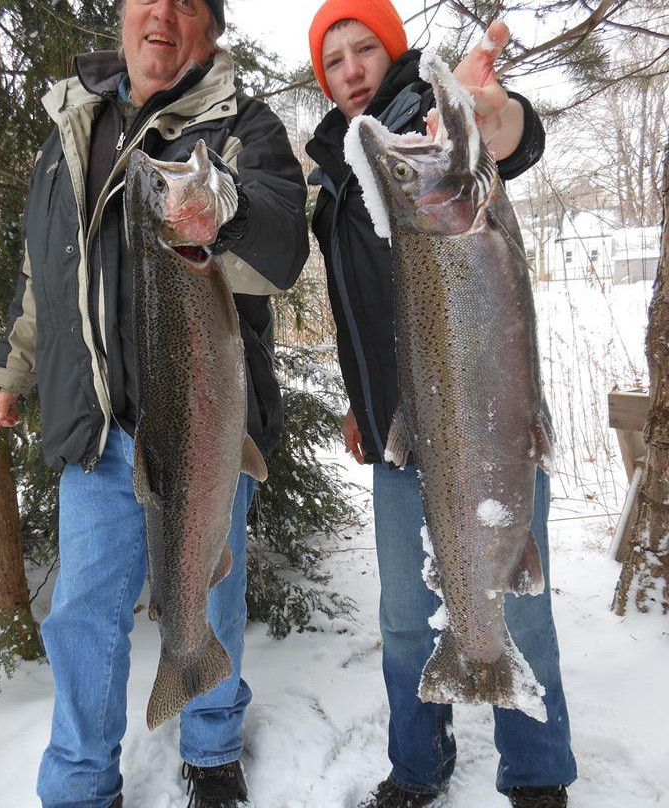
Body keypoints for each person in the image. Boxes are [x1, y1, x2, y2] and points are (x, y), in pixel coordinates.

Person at [0, 1, 309, 806]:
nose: (161, 12)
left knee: (211, 587)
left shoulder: (245, 128)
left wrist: (222, 212)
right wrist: (12, 371)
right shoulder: (70, 128)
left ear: (211, 30)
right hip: (97, 425)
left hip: (200, 422)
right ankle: (83, 781)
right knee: (84, 612)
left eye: (187, 1)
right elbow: (41, 273)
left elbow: (283, 252)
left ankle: (212, 742)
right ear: (123, 17)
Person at [305, 1, 577, 807]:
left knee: (516, 604)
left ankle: (535, 770)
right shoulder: (335, 165)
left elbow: (509, 140)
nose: (352, 69)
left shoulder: (425, 126)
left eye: (364, 50)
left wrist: (495, 119)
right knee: (401, 618)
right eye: (335, 59)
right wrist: (363, 400)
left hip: (487, 424)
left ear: (391, 51)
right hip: (402, 433)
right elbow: (359, 302)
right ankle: (417, 764)